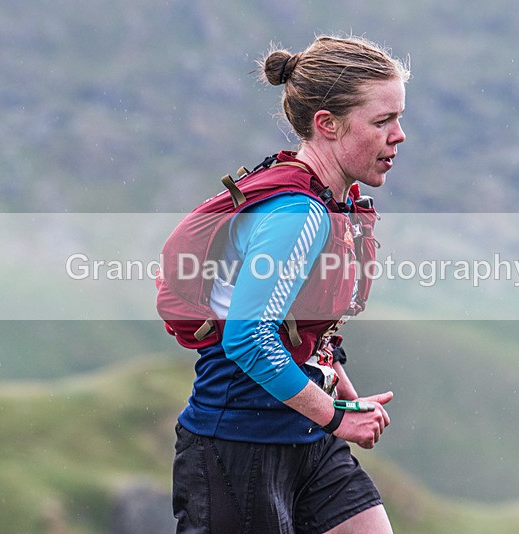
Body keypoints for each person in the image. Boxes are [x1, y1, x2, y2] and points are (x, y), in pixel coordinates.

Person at [157, 34, 409, 533]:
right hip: (239, 445)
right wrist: (336, 417)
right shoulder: (298, 214)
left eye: (398, 118)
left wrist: (342, 396)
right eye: (382, 121)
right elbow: (249, 337)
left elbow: (301, 328)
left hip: (305, 437)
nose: (398, 135)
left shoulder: (329, 202)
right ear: (327, 124)